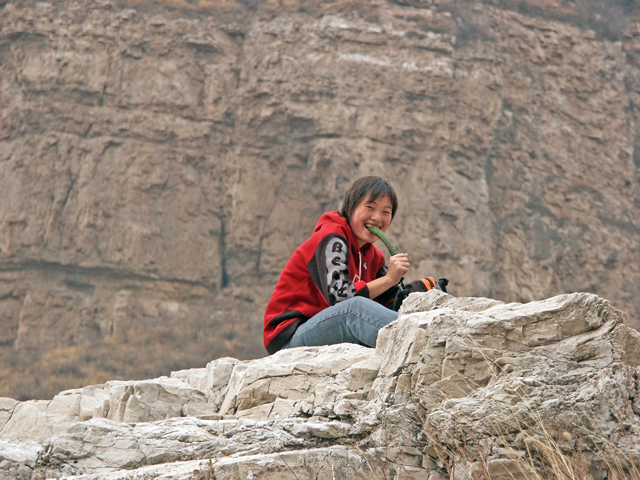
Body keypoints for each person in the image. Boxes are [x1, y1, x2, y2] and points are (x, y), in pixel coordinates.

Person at [263, 176, 410, 354]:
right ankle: (412, 340)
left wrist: (421, 290)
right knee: (355, 308)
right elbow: (340, 296)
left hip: (326, 328)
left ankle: (416, 336)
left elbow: (391, 299)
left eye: (386, 212)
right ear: (351, 207)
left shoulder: (374, 257)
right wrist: (388, 279)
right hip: (289, 336)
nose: (377, 218)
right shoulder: (332, 237)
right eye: (370, 207)